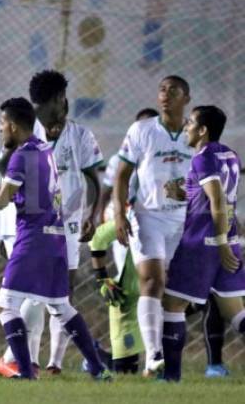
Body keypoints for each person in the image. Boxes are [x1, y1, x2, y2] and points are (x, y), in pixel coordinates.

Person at [0, 97, 110, 380]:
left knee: (5, 306)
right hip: (56, 238)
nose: (0, 129)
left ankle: (26, 372)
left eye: (2, 123)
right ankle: (98, 370)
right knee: (61, 307)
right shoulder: (43, 151)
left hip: (32, 240)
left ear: (14, 126)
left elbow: (1, 202)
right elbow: (21, 194)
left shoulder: (21, 156)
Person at [0, 70, 104, 376]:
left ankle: (51, 362)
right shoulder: (23, 130)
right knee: (31, 292)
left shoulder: (79, 135)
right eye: (62, 97)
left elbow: (94, 178)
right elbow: (6, 172)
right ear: (55, 100)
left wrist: (91, 215)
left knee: (60, 292)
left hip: (63, 222)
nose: (66, 102)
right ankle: (24, 361)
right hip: (21, 222)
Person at [113, 75, 193, 376]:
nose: (165, 95)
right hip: (148, 216)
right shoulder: (141, 130)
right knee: (152, 281)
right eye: (162, 89)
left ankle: (172, 368)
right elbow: (121, 175)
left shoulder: (195, 133)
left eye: (173, 91)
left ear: (186, 98)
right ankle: (153, 356)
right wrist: (120, 215)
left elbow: (206, 179)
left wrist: (189, 193)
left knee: (176, 296)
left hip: (183, 219)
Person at [161, 105, 245, 382]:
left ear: (203, 130)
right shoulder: (229, 154)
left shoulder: (203, 159)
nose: (186, 125)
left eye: (191, 122)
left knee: (172, 305)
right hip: (228, 240)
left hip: (203, 244)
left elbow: (218, 201)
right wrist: (183, 192)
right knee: (236, 313)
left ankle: (171, 377)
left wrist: (219, 243)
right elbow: (213, 195)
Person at [88, 107, 159, 374]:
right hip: (124, 223)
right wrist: (99, 218)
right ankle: (125, 356)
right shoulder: (122, 159)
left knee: (151, 288)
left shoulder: (164, 158)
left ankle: (142, 354)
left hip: (155, 223)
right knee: (129, 287)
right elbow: (107, 189)